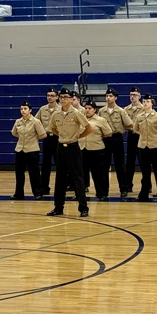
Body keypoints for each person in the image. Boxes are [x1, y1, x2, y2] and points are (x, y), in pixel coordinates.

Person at [46, 88, 93, 217]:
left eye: (66, 97)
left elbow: (89, 128)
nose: (63, 99)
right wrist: (61, 135)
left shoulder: (76, 113)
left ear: (71, 99)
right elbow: (53, 129)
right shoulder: (56, 114)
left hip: (73, 147)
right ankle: (58, 207)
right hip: (61, 147)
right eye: (61, 97)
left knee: (78, 178)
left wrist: (78, 136)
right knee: (60, 178)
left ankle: (83, 207)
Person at [133, 94, 157, 202]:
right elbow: (135, 129)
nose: (145, 103)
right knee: (145, 173)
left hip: (155, 146)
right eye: (144, 101)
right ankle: (143, 194)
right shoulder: (139, 117)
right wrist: (143, 134)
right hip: (142, 146)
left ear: (152, 104)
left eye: (148, 101)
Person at [100, 88, 134, 198]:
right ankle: (104, 190)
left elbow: (129, 124)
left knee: (120, 165)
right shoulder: (101, 111)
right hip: (105, 139)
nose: (108, 98)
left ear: (115, 98)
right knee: (104, 165)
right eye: (107, 96)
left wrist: (120, 128)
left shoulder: (121, 111)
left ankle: (123, 189)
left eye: (110, 96)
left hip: (117, 138)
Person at [11, 101, 46, 200]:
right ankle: (18, 193)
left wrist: (33, 139)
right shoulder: (18, 121)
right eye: (21, 109)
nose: (23, 111)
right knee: (19, 173)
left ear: (30, 110)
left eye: (25, 109)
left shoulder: (35, 121)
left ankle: (37, 193)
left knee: (34, 173)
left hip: (32, 150)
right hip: (20, 150)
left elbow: (43, 134)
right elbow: (14, 133)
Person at [80, 101, 112, 201]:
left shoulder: (100, 120)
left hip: (96, 149)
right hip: (82, 148)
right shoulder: (80, 118)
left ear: (94, 110)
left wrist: (97, 138)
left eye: (90, 108)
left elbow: (108, 133)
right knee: (80, 173)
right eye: (86, 108)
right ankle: (80, 193)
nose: (87, 110)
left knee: (98, 173)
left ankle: (101, 193)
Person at [37, 87, 59, 196]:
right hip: (46, 138)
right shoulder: (42, 109)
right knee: (45, 164)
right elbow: (36, 122)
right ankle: (44, 187)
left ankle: (61, 187)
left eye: (52, 95)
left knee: (60, 164)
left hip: (58, 138)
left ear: (57, 97)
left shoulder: (60, 109)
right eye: (48, 95)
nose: (49, 97)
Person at [123, 86, 144, 197]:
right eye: (131, 95)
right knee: (130, 161)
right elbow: (124, 124)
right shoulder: (126, 109)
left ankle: (146, 185)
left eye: (135, 95)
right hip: (131, 135)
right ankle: (128, 185)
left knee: (143, 161)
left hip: (141, 136)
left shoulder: (144, 108)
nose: (132, 97)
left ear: (139, 96)